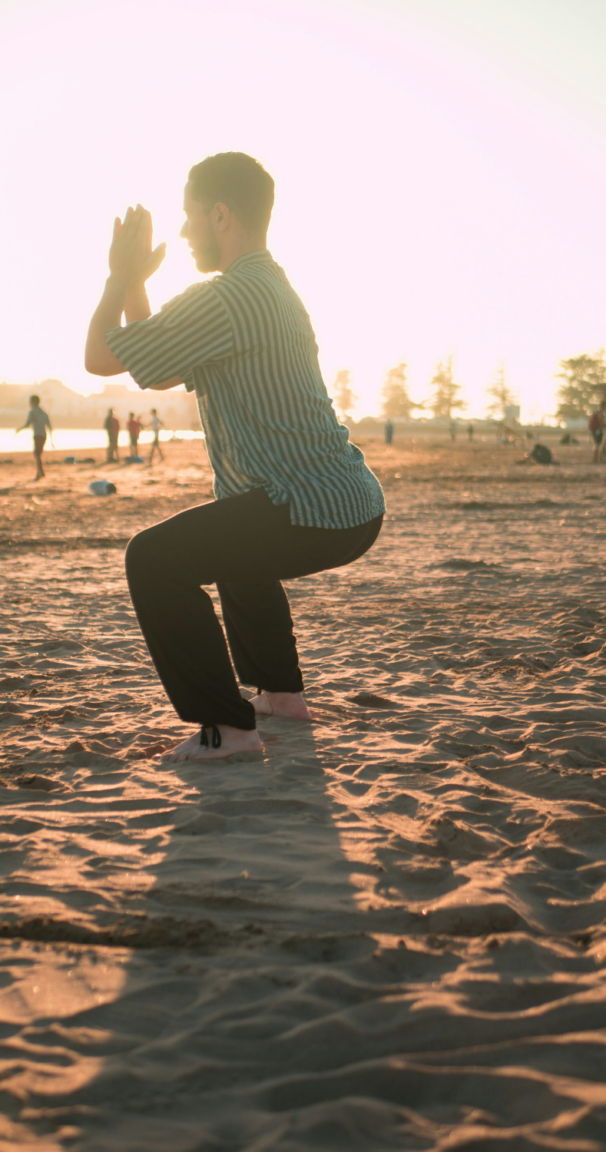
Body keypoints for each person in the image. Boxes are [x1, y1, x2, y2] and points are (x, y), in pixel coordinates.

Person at [84, 152, 385, 763]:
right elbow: (163, 367)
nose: (187, 230)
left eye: (191, 216)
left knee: (153, 559)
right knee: (232, 533)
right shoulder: (268, 287)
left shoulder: (226, 298)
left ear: (220, 214)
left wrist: (119, 275)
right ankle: (280, 697)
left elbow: (99, 358)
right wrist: (140, 284)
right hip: (350, 504)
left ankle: (228, 730)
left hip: (311, 508)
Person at [17, 394, 52, 480]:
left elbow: (27, 424)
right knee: (39, 454)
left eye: (30, 402)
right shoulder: (44, 413)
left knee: (37, 454)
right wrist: (52, 440)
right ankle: (41, 472)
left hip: (37, 435)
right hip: (44, 435)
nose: (29, 404)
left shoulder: (32, 412)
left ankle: (39, 473)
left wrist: (19, 429)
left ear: (34, 402)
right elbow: (49, 427)